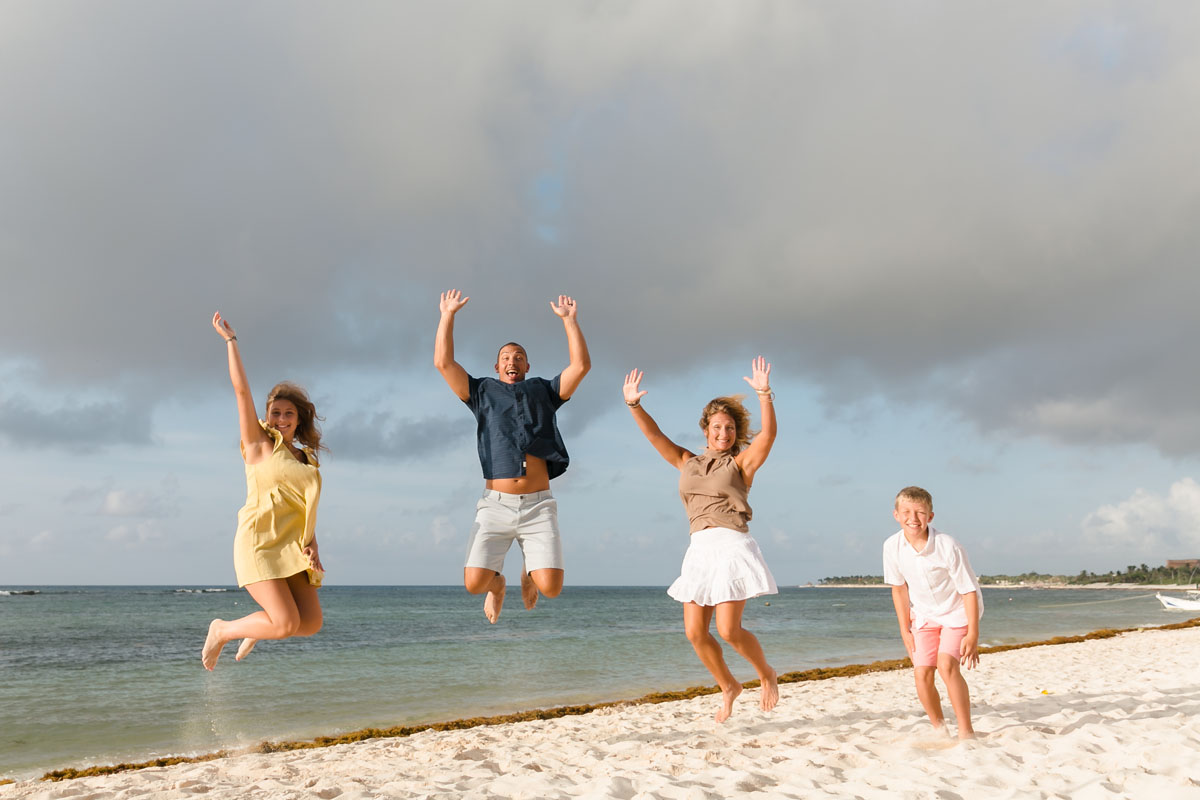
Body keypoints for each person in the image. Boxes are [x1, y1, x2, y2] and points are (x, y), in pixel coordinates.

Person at [622, 358, 780, 723]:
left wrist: (764, 394)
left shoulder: (740, 465)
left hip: (731, 545)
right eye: (716, 427)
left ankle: (765, 673)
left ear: (735, 433)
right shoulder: (687, 461)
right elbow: (654, 436)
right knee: (695, 632)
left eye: (728, 428)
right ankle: (729, 686)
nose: (722, 433)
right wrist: (634, 404)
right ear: (706, 430)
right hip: (699, 549)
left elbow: (768, 436)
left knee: (728, 630)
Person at [434, 289, 590, 623]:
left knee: (551, 588)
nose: (512, 360)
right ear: (497, 366)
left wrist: (570, 321)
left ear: (527, 365)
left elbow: (581, 365)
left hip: (538, 505)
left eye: (518, 356)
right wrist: (448, 315)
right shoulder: (481, 392)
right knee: (474, 584)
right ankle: (499, 584)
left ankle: (528, 574)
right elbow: (443, 363)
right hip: (495, 506)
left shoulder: (544, 391)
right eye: (506, 357)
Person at [201, 312, 325, 670]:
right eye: (275, 413)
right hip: (260, 542)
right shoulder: (259, 445)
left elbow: (306, 507)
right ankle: (225, 629)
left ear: (299, 419)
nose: (282, 419)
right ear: (268, 417)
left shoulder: (306, 458)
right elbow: (241, 391)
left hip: (291, 546)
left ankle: (260, 625)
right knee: (286, 623)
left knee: (311, 623)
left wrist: (313, 547)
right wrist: (231, 341)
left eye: (288, 413)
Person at [883, 486, 983, 739]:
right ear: (896, 515)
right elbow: (899, 590)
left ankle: (966, 732)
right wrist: (904, 629)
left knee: (946, 665)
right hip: (924, 614)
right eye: (906, 512)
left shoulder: (948, 546)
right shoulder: (891, 546)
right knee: (922, 673)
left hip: (958, 612)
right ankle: (940, 729)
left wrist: (973, 633)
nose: (913, 518)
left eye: (920, 512)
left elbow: (968, 591)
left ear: (931, 516)